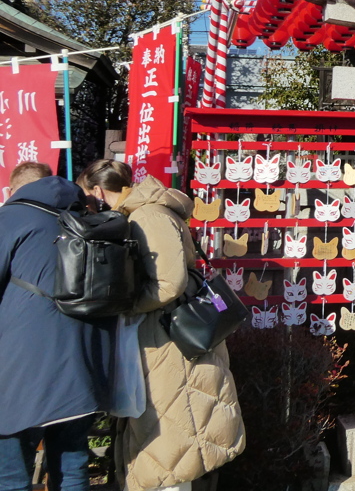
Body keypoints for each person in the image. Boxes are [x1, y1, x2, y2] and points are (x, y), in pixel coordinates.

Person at [77, 159, 245, 491]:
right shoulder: (143, 212)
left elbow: (170, 282)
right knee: (172, 436)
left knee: (173, 440)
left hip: (169, 340)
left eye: (88, 196)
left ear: (97, 190)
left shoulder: (147, 215)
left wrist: (129, 307)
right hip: (168, 338)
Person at [0, 165, 116, 491]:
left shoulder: (9, 220)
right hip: (87, 360)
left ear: (13, 191)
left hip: (21, 367)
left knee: (10, 472)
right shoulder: (91, 219)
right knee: (72, 465)